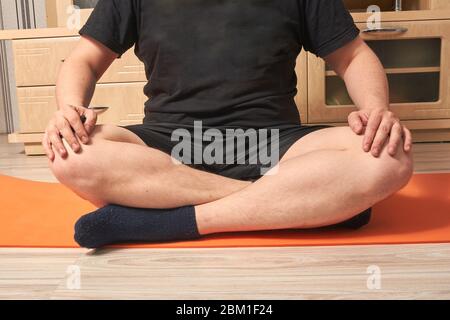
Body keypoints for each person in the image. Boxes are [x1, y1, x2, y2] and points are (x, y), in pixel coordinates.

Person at [43, 0, 413, 248]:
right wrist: (70, 109)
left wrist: (377, 109)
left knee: (389, 158)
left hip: (275, 142)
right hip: (169, 144)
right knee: (71, 154)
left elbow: (353, 56)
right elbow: (85, 60)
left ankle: (166, 221)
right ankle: (303, 204)